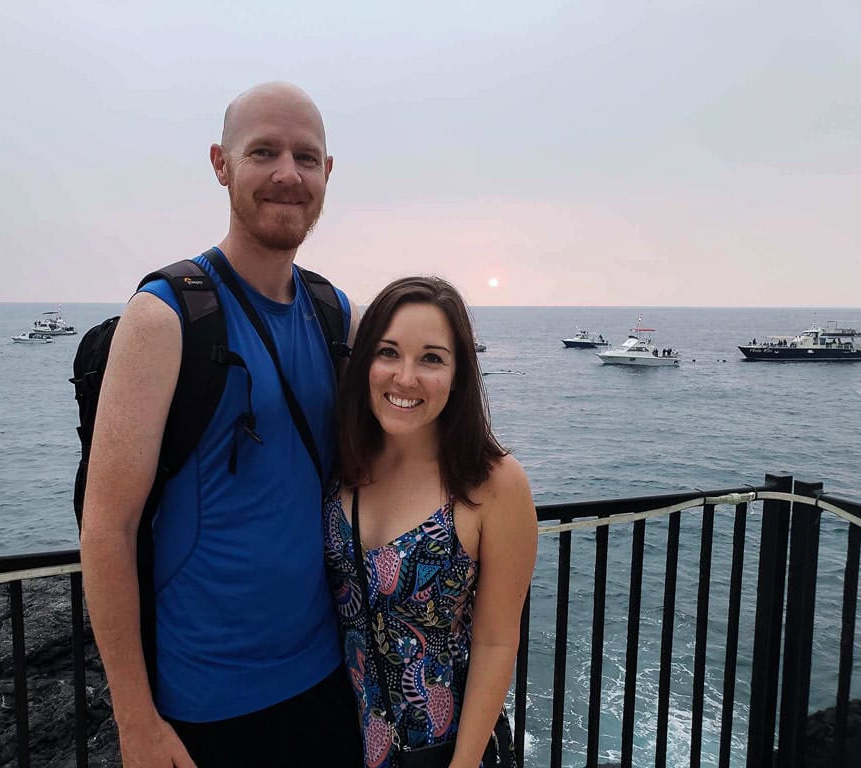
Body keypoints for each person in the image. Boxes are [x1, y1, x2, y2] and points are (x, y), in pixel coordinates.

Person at [80, 82, 361, 768]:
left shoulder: (335, 312)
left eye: (306, 156)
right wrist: (135, 722)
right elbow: (106, 527)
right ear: (221, 163)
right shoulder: (165, 315)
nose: (287, 174)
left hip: (328, 680)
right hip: (207, 702)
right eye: (263, 151)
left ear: (329, 172)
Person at [324, 276, 538, 767]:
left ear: (459, 374)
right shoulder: (343, 463)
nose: (405, 378)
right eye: (388, 352)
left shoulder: (494, 483)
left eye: (431, 358)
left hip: (443, 752)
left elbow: (496, 640)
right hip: (339, 737)